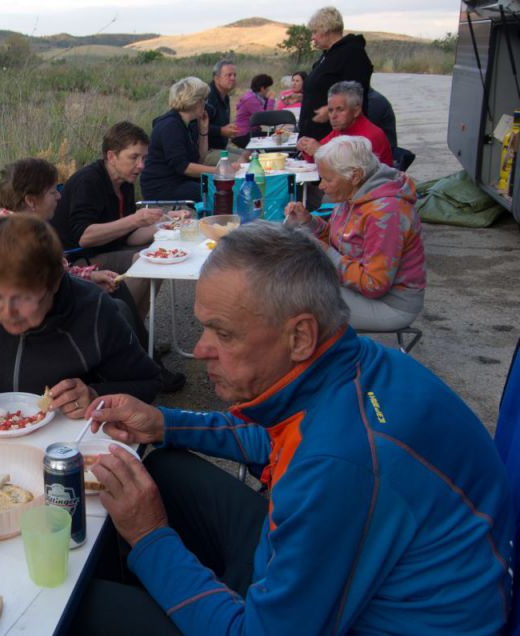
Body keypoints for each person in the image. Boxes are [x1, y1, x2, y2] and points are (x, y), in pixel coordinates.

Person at [69, 221, 513, 635]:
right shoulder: (357, 365)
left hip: (383, 621)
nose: (201, 349)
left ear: (299, 336)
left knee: (86, 607)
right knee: (163, 469)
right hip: (361, 566)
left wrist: (149, 536)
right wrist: (164, 422)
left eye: (222, 334)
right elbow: (275, 436)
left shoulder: (339, 463)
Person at [0, 158, 185, 393]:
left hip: (48, 305)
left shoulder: (13, 225)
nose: (59, 196)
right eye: (52, 191)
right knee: (117, 308)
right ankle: (141, 371)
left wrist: (88, 277)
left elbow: (54, 274)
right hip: (38, 320)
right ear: (30, 200)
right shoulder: (14, 237)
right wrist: (85, 283)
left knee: (116, 293)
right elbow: (34, 288)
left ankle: (143, 361)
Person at [0, 214, 161, 420]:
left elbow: (146, 383)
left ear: (55, 282)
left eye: (23, 298)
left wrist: (95, 395)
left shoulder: (95, 310)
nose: (6, 313)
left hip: (68, 446)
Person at [285, 135, 424, 331]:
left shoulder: (386, 213)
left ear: (355, 175)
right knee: (287, 284)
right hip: (363, 293)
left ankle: (322, 359)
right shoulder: (354, 194)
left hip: (391, 305)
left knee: (290, 302)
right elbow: (340, 241)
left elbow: (374, 284)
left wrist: (324, 252)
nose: (321, 186)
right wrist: (309, 222)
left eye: (327, 179)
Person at [51, 121, 164, 316]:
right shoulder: (88, 181)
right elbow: (84, 237)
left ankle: (139, 333)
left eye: (144, 158)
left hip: (108, 250)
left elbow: (128, 237)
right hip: (76, 260)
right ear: (111, 156)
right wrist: (135, 220)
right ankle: (124, 331)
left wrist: (165, 226)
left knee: (158, 256)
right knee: (146, 262)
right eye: (134, 157)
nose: (141, 165)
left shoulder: (125, 181)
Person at [298, 6, 373, 143]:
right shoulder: (326, 56)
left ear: (327, 29)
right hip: (316, 136)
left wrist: (329, 110)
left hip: (337, 139)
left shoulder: (352, 53)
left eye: (315, 32)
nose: (312, 37)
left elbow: (356, 92)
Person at [140, 76, 213, 202]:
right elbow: (183, 167)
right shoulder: (171, 126)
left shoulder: (186, 123)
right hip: (162, 186)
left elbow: (200, 159)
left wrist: (203, 131)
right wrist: (221, 171)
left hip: (178, 182)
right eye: (204, 100)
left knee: (218, 187)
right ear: (195, 102)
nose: (205, 104)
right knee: (215, 193)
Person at [298, 81, 393, 166]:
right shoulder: (342, 128)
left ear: (356, 111)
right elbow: (314, 156)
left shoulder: (370, 136)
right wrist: (306, 147)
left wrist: (320, 151)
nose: (333, 116)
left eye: (340, 109)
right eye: (330, 110)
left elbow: (352, 175)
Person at [203, 59, 240, 163]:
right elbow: (197, 127)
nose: (233, 78)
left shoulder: (225, 96)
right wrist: (221, 131)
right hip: (206, 151)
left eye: (234, 75)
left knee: (252, 157)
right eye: (228, 75)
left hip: (221, 148)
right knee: (245, 162)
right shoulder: (208, 98)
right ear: (216, 78)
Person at [233, 73, 276, 149]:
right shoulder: (251, 100)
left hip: (250, 132)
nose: (269, 90)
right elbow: (266, 118)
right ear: (262, 88)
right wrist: (271, 99)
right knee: (275, 139)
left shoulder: (254, 97)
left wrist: (267, 100)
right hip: (244, 135)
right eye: (268, 88)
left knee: (275, 136)